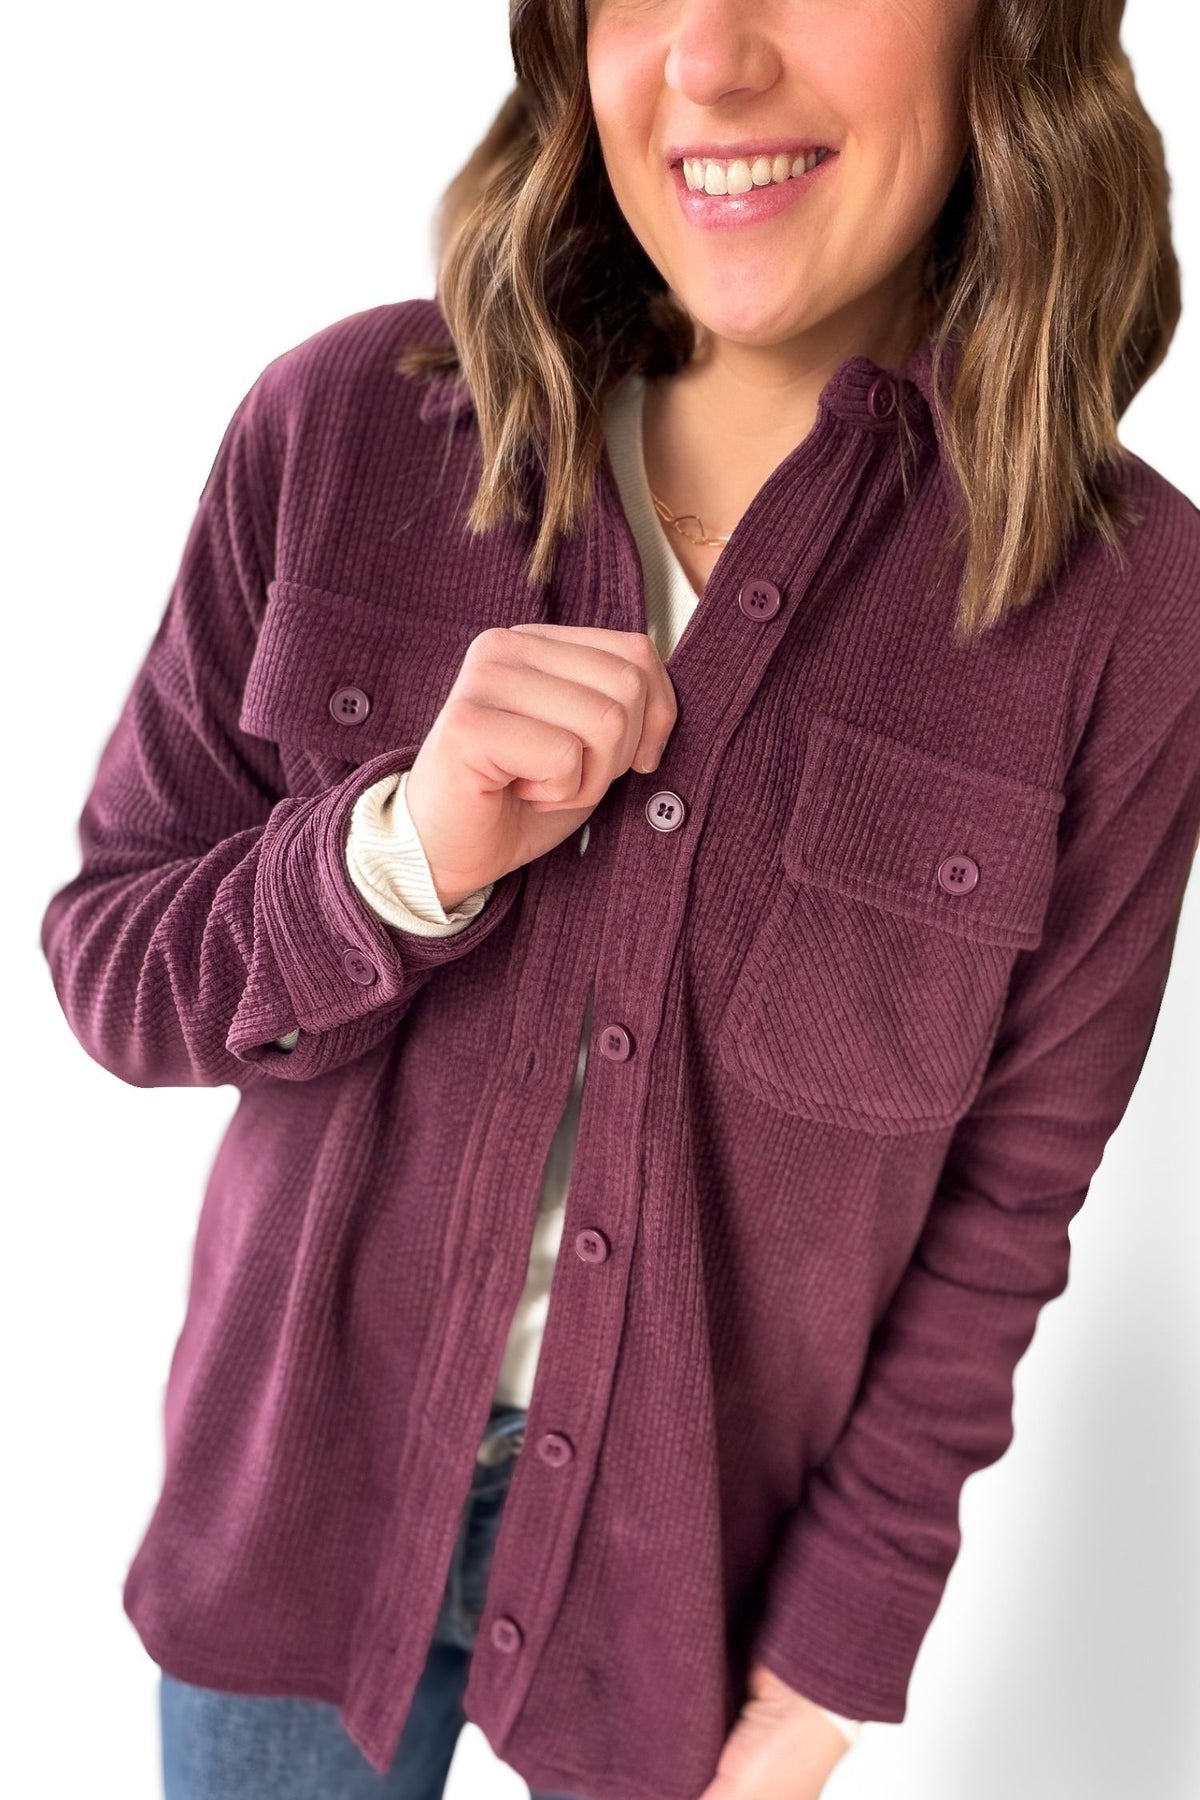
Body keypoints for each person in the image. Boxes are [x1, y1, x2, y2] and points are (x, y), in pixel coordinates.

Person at [40, 0, 1199, 1797]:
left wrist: (834, 1663)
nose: (711, 62)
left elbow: (1012, 1195)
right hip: (288, 1518)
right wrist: (399, 852)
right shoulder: (339, 426)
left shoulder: (1130, 616)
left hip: (692, 1601)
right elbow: (110, 964)